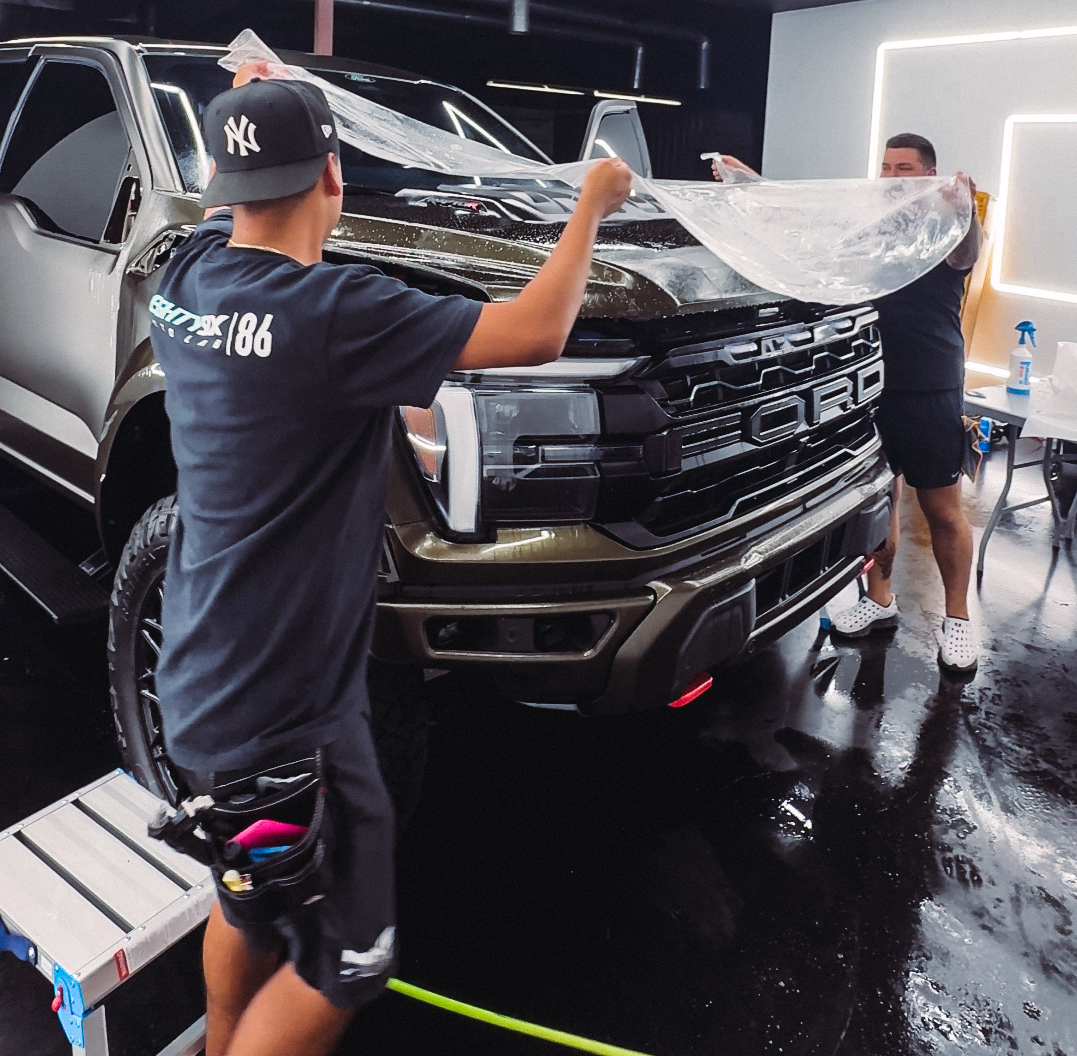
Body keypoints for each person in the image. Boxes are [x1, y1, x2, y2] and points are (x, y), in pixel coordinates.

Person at [152, 72, 633, 1056]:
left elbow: (218, 211)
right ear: (333, 173)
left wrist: (248, 103)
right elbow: (538, 330)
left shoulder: (185, 278)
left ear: (230, 183)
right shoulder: (334, 310)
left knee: (247, 904)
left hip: (202, 693)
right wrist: (593, 205)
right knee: (343, 963)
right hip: (291, 728)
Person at [710, 138, 984, 673]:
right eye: (885, 167)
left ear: (927, 174)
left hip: (929, 388)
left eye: (904, 169)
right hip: (868, 385)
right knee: (879, 505)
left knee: (942, 511)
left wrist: (965, 209)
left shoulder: (945, 231)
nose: (891, 177)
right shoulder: (871, 234)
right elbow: (805, 220)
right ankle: (878, 602)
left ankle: (957, 620)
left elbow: (969, 251)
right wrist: (750, 184)